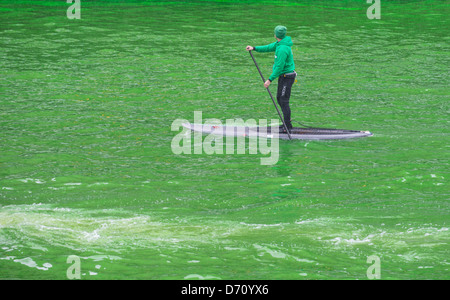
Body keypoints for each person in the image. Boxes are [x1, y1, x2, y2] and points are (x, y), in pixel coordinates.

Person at [246, 25, 296, 132]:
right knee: (279, 99)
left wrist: (269, 80)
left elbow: (279, 67)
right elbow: (268, 47)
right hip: (283, 76)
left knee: (283, 100)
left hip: (287, 77)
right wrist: (254, 48)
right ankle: (286, 124)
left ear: (275, 35)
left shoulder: (282, 49)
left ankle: (287, 127)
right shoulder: (280, 44)